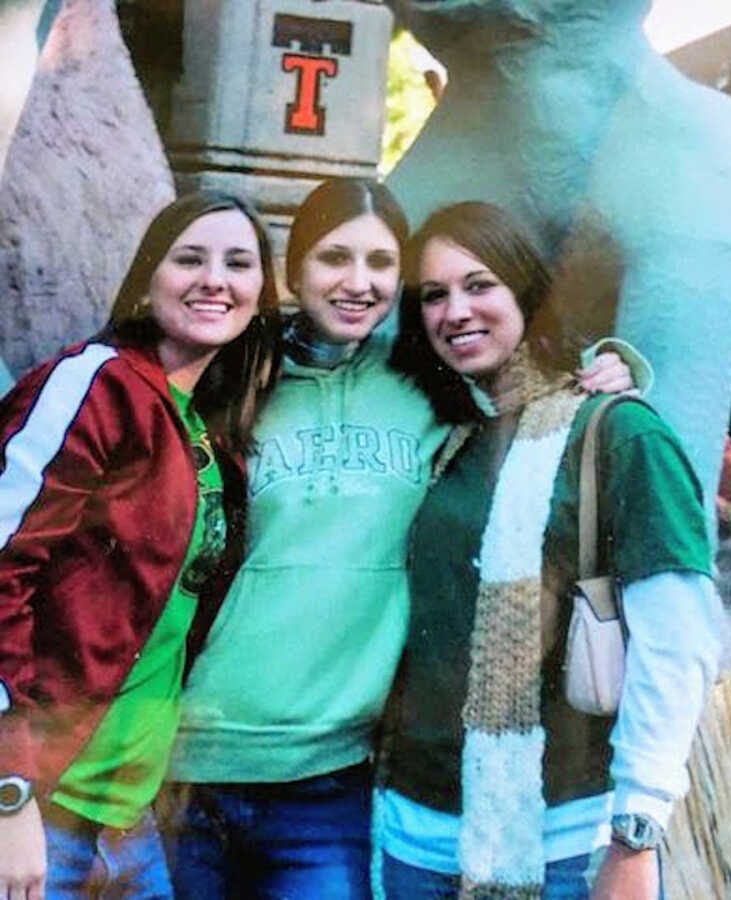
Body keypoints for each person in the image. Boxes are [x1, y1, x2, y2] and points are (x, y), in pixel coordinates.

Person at [164, 178, 641, 899]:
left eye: (381, 264)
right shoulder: (234, 374)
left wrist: (614, 364)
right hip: (189, 758)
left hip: (332, 778)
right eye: (334, 259)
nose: (358, 283)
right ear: (295, 270)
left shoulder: (427, 384)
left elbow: (532, 388)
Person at [381, 201, 725, 899]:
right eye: (434, 295)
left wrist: (637, 833)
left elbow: (678, 639)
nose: (456, 311)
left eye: (480, 285)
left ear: (526, 291)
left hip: (570, 838)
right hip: (413, 829)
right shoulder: (445, 436)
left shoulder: (618, 433)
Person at [0, 190, 280, 899]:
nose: (215, 278)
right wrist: (8, 793)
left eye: (239, 264)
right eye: (190, 258)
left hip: (129, 822)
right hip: (43, 808)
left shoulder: (205, 426)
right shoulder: (95, 385)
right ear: (147, 275)